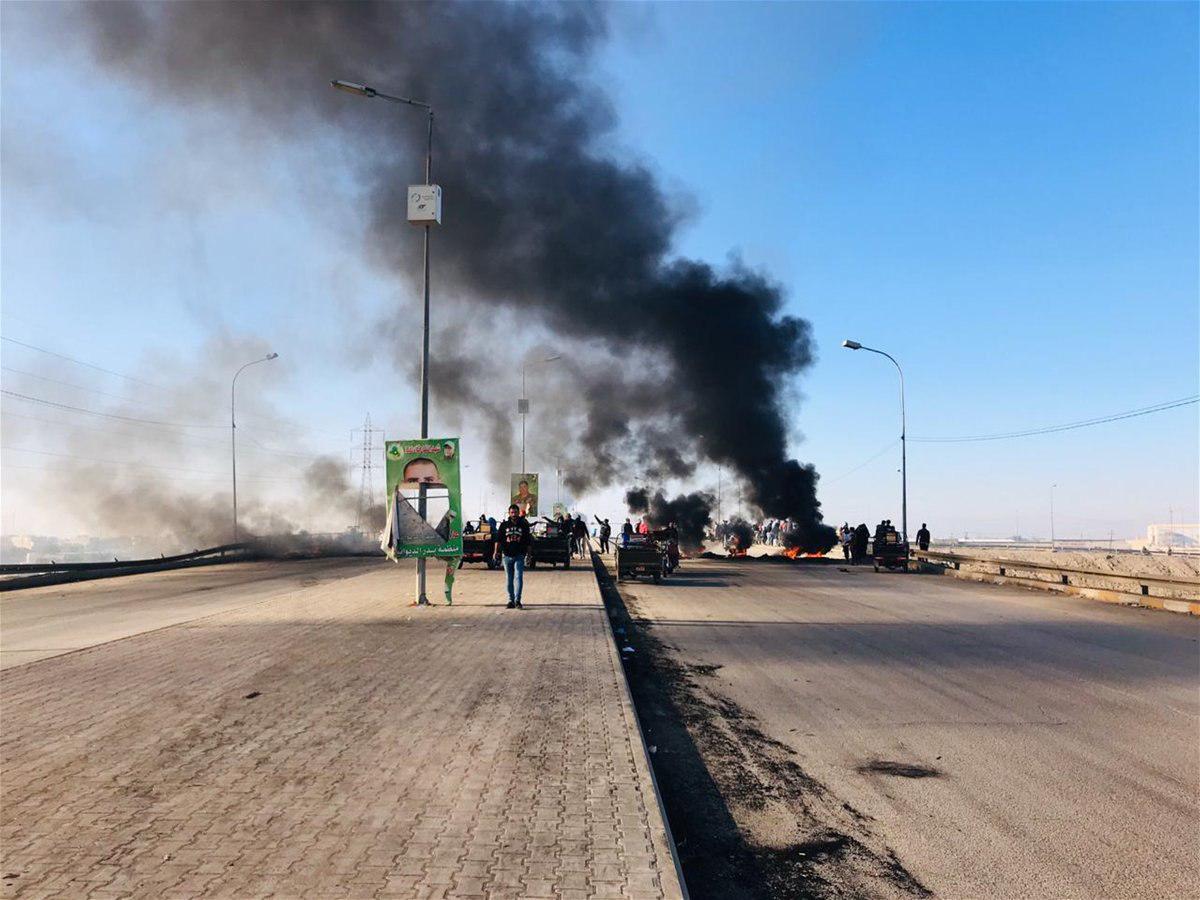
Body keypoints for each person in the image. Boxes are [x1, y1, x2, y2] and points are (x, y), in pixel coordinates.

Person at [494, 504, 532, 609]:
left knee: (518, 577)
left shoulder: (523, 525)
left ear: (518, 512)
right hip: (506, 556)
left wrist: (529, 554)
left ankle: (517, 600)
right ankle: (510, 600)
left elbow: (528, 541)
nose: (514, 514)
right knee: (509, 579)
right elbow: (498, 540)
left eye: (515, 512)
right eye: (512, 512)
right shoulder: (504, 525)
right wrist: (495, 552)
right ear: (509, 513)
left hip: (519, 555)